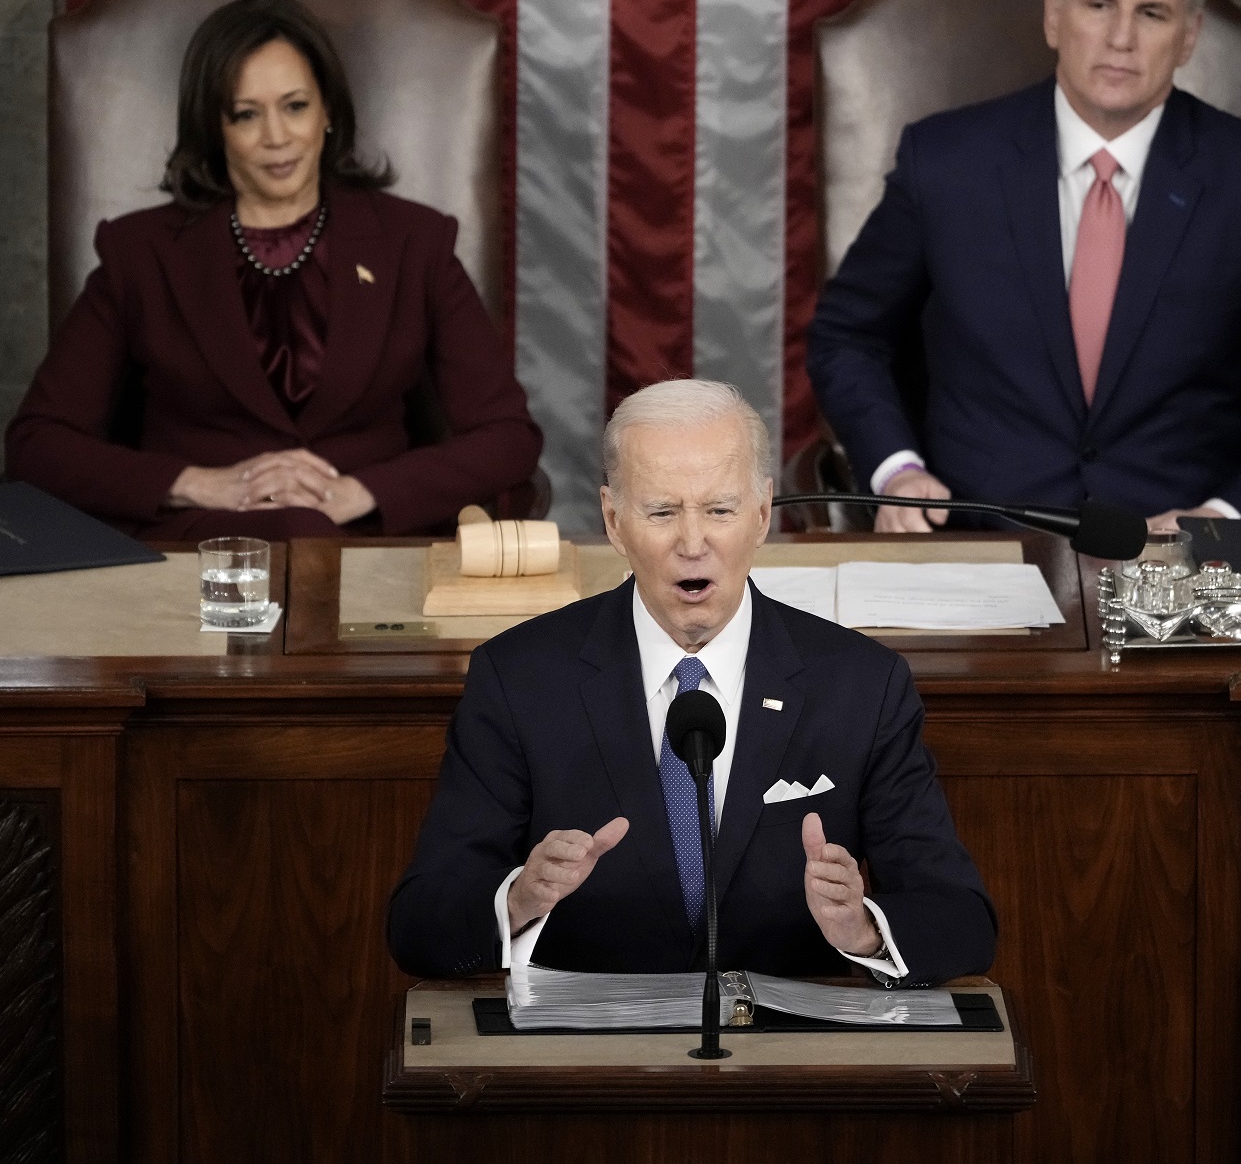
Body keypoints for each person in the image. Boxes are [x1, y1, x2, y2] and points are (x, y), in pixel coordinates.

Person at [388, 379, 995, 984]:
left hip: (787, 1060)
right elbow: (419, 926)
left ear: (761, 514)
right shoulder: (520, 678)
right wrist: (518, 900)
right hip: (592, 1060)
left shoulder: (862, 685)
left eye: (719, 510)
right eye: (662, 512)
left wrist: (862, 927)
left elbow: (962, 920)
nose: (693, 543)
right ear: (614, 521)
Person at [807, 0, 1241, 535]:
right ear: (1054, 16)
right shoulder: (945, 163)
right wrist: (896, 472)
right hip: (976, 544)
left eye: (1151, 13)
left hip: (1179, 564)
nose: (1121, 39)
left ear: (1187, 37)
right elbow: (847, 338)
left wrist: (1223, 520)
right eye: (1098, 4)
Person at [5, 0, 542, 539]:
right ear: (215, 128)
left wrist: (359, 493)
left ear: (328, 109)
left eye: (295, 106)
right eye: (246, 114)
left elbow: (508, 436)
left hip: (367, 550)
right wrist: (199, 483)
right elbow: (37, 443)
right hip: (201, 555)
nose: (277, 137)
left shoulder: (413, 242)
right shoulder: (141, 254)